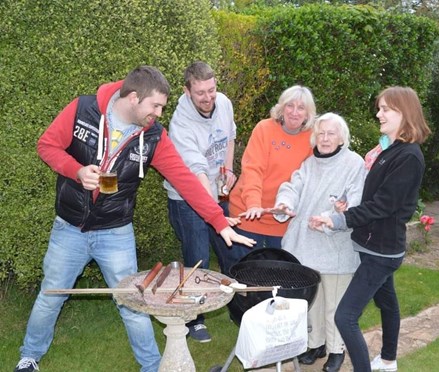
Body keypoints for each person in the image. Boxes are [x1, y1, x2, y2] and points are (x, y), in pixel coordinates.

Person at [14, 65, 254, 372]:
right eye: (155, 105)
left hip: (115, 232)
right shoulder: (83, 110)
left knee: (133, 302)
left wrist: (219, 221)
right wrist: (75, 170)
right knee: (51, 295)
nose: (159, 113)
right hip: (70, 228)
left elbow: (185, 179)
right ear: (132, 97)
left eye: (162, 107)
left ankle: (152, 366)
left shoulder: (153, 136)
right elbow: (46, 145)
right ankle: (29, 356)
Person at [309, 86, 431, 371]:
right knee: (387, 303)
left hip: (382, 251)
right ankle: (388, 360)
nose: (379, 113)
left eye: (386, 109)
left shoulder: (408, 156)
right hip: (371, 245)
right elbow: (370, 194)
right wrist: (345, 205)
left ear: (405, 112)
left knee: (345, 317)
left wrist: (338, 220)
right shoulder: (390, 150)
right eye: (380, 108)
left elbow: (383, 206)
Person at [274, 113, 366, 372]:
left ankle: (337, 350)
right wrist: (285, 203)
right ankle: (316, 344)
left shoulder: (354, 163)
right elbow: (293, 186)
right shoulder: (310, 162)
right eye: (321, 133)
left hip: (336, 248)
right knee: (312, 301)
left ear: (342, 138)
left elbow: (356, 205)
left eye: (331, 134)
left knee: (335, 306)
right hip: (306, 247)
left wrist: (328, 218)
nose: (325, 139)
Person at [164, 61, 237, 343]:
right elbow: (195, 173)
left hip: (216, 192)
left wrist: (228, 172)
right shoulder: (180, 123)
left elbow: (229, 137)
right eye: (200, 93)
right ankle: (195, 319)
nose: (208, 98)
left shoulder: (224, 104)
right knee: (199, 259)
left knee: (231, 254)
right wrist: (214, 212)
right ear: (187, 91)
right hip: (187, 198)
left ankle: (235, 305)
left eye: (212, 90)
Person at [227, 85, 316, 263]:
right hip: (249, 215)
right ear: (281, 108)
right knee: (244, 276)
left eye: (301, 108)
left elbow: (308, 180)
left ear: (308, 114)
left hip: (283, 219)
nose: (294, 112)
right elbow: (253, 170)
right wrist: (253, 205)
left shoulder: (312, 138)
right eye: (290, 106)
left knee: (278, 276)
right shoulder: (264, 129)